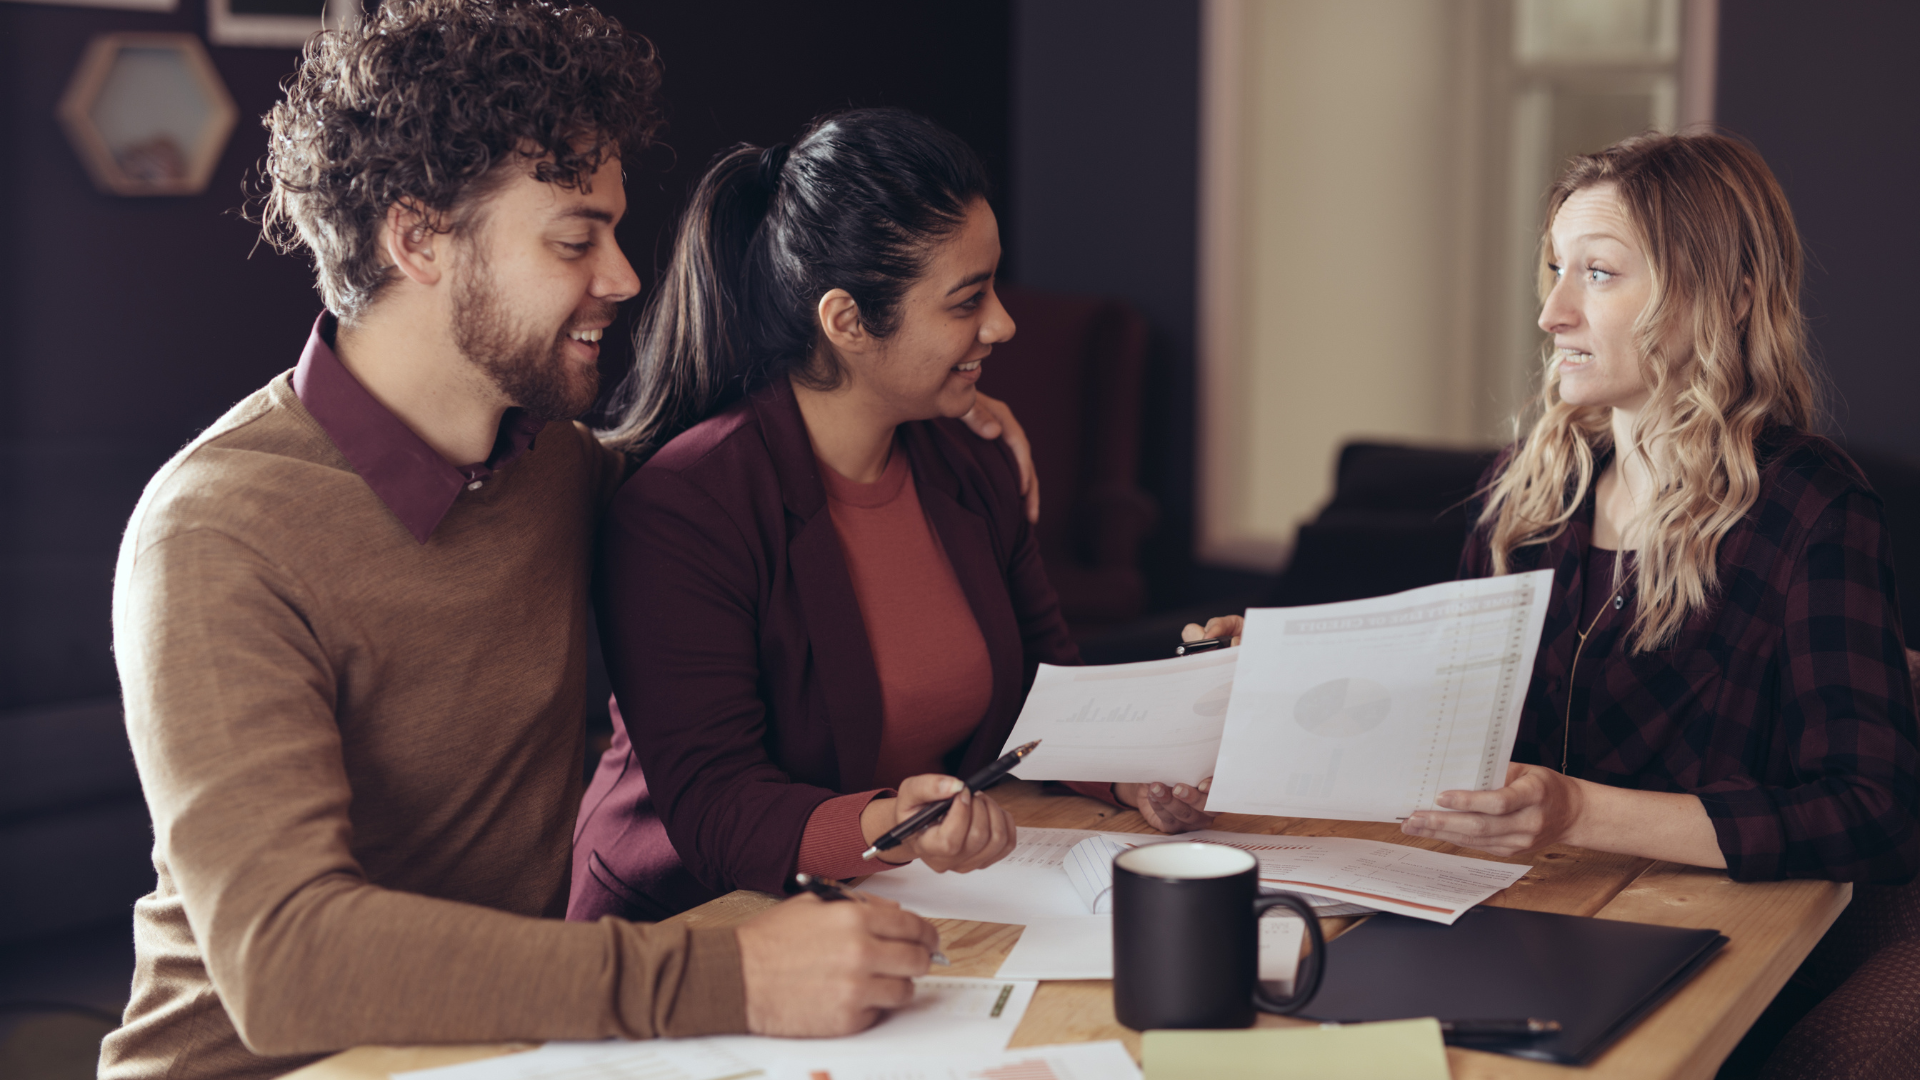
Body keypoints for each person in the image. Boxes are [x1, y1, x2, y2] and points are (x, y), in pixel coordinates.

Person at [100, 5, 1044, 1078]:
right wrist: (728, 976)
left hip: (499, 1048)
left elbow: (740, 478)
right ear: (418, 241)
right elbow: (286, 962)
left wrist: (940, 406)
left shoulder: (554, 467)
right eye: (573, 238)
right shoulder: (217, 532)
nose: (624, 276)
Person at [570, 109, 1224, 922]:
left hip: (910, 900)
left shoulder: (973, 461)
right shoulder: (687, 508)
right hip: (697, 920)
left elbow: (1047, 692)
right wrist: (898, 826)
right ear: (847, 322)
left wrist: (1128, 773)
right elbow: (718, 809)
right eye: (967, 300)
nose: (1003, 323)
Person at [1401, 132, 1919, 883]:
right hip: (1507, 905)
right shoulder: (1526, 491)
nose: (1552, 313)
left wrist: (1577, 812)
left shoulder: (1813, 509)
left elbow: (1876, 813)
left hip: (1706, 938)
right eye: (1556, 269)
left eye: (1599, 273)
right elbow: (1453, 730)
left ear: (1731, 295)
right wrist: (1266, 692)